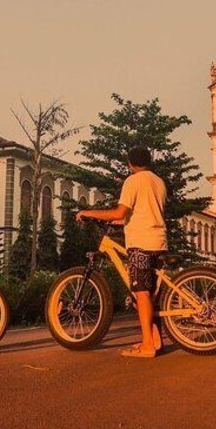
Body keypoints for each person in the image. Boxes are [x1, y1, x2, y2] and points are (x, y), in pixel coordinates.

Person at [76, 146, 167, 358]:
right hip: (159, 241)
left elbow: (120, 211)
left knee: (141, 292)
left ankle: (146, 346)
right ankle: (155, 340)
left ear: (130, 163)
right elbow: (138, 213)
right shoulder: (158, 181)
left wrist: (88, 212)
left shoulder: (133, 181)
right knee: (149, 295)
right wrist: (118, 222)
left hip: (141, 242)